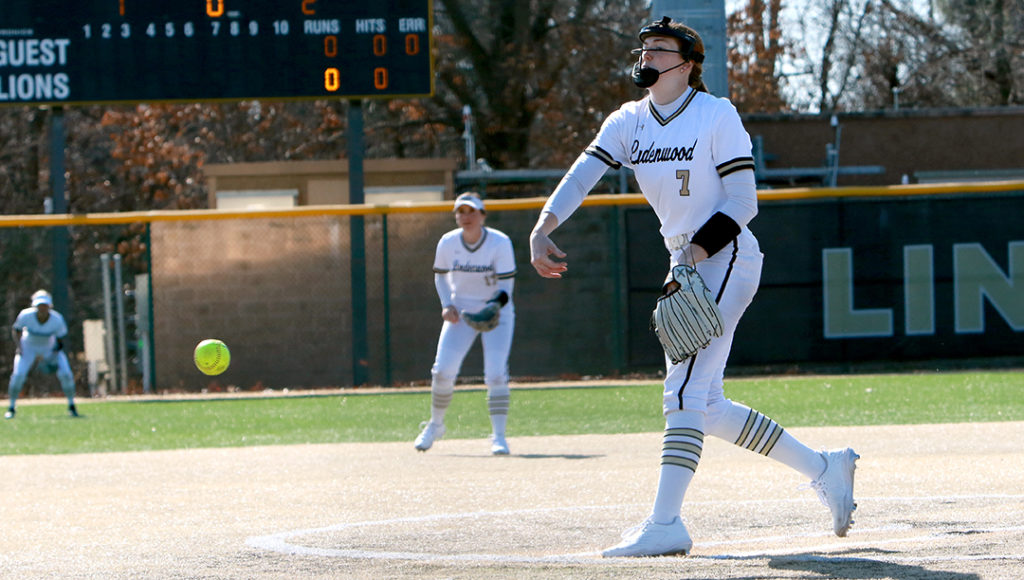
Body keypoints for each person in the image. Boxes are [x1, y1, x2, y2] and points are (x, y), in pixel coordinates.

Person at [529, 17, 859, 557]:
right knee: (704, 405)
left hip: (725, 255)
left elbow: (743, 202)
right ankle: (826, 468)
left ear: (688, 64)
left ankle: (666, 523)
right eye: (644, 48)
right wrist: (544, 225)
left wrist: (698, 253)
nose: (648, 55)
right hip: (683, 264)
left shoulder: (715, 113)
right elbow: (583, 173)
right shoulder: (629, 120)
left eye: (661, 49)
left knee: (681, 392)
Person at [414, 192, 517, 455]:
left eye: (472, 211)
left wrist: (492, 308)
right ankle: (435, 425)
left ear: (483, 215)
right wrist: (447, 304)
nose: (466, 216)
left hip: (497, 311)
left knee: (495, 373)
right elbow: (440, 277)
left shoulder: (499, 242)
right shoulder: (448, 242)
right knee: (442, 371)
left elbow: (506, 287)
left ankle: (499, 436)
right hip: (461, 310)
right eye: (461, 211)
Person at [6, 290, 79, 419]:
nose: (42, 308)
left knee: (66, 374)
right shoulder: (25, 315)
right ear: (35, 306)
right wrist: (20, 347)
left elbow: (60, 339)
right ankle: (11, 407)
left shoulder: (57, 319)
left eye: (45, 305)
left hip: (49, 348)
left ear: (49, 306)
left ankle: (72, 405)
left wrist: (54, 354)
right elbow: (16, 330)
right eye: (40, 305)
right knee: (18, 376)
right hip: (28, 347)